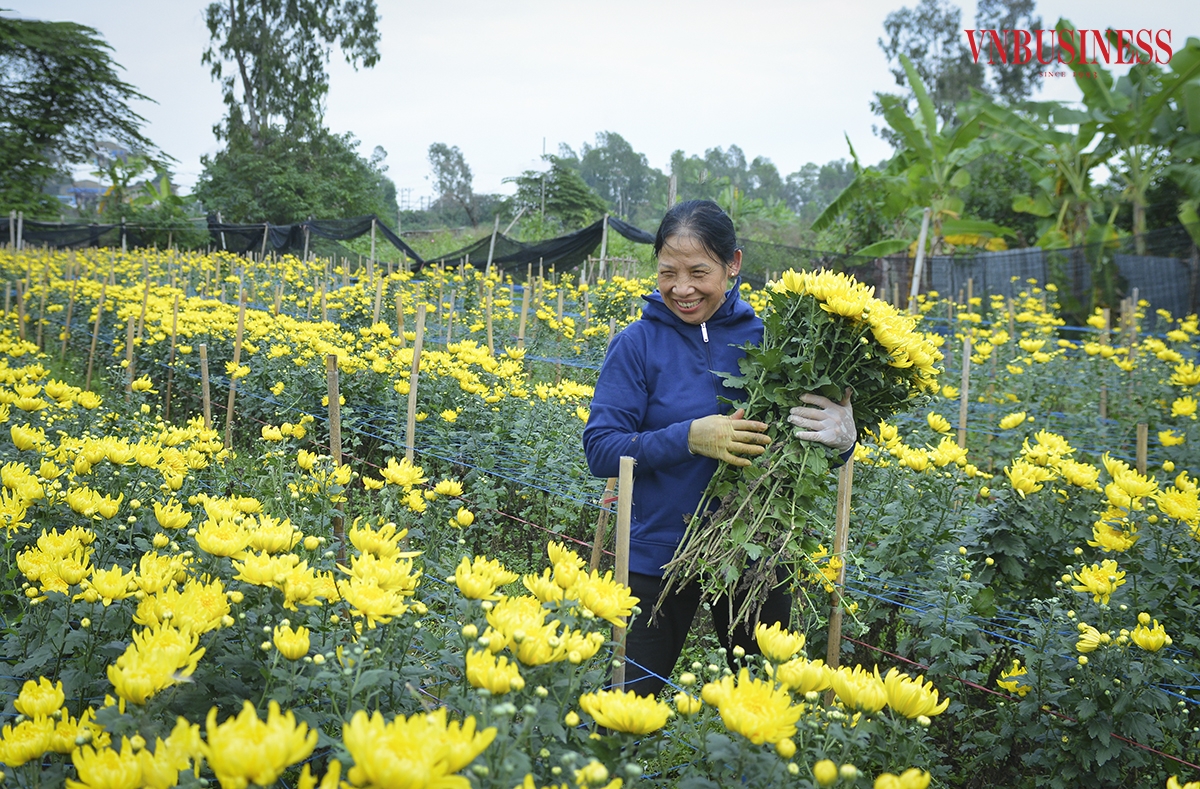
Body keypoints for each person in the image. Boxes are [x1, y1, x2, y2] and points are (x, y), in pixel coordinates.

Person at [582, 199, 856, 698]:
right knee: (624, 702)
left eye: (698, 272)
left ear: (734, 265)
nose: (681, 288)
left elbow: (812, 449)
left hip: (754, 551)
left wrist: (842, 437)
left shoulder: (779, 341)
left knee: (768, 702)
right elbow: (602, 449)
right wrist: (689, 437)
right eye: (668, 272)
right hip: (657, 552)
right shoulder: (636, 344)